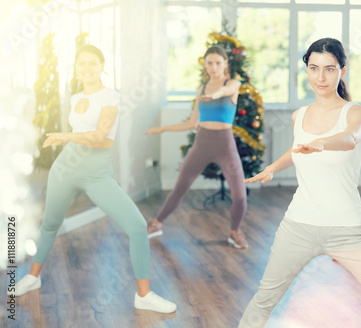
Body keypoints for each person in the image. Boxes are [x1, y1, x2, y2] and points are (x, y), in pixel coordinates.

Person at [238, 38, 361, 328]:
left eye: (329, 69)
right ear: (307, 70)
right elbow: (298, 148)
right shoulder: (300, 115)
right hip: (298, 225)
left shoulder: (355, 112)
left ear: (342, 71)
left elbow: (349, 138)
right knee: (262, 302)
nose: (320, 77)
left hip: (347, 230)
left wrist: (322, 142)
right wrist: (272, 168)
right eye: (313, 68)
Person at [12, 45, 177, 313]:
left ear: (102, 66)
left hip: (97, 174)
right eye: (81, 64)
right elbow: (80, 131)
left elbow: (100, 136)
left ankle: (144, 295)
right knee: (50, 223)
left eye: (92, 63)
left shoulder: (111, 97)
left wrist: (65, 136)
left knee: (136, 226)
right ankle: (32, 277)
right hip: (65, 168)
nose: (86, 68)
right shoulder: (75, 98)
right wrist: (68, 140)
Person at [145, 46, 248, 249]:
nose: (214, 67)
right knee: (179, 189)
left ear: (225, 63)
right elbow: (192, 123)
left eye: (218, 62)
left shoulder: (232, 84)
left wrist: (216, 94)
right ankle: (156, 224)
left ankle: (234, 232)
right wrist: (162, 129)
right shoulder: (200, 90)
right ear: (204, 65)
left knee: (240, 196)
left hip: (225, 145)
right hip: (202, 143)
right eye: (209, 63)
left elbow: (225, 91)